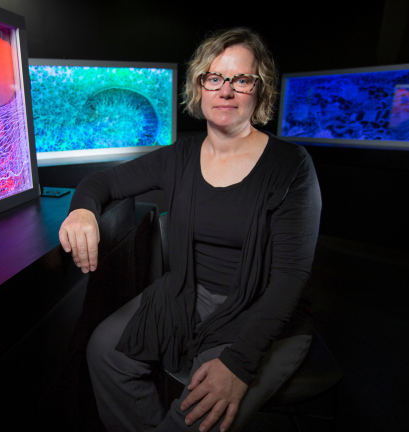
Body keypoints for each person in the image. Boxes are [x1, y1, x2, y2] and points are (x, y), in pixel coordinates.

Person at [59, 27, 322, 432]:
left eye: (241, 79)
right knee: (104, 352)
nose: (226, 90)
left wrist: (239, 364)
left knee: (194, 413)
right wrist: (82, 212)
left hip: (261, 310)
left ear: (260, 89)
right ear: (199, 87)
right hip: (185, 295)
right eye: (214, 77)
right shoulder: (180, 156)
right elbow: (101, 183)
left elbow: (291, 279)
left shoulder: (291, 166)